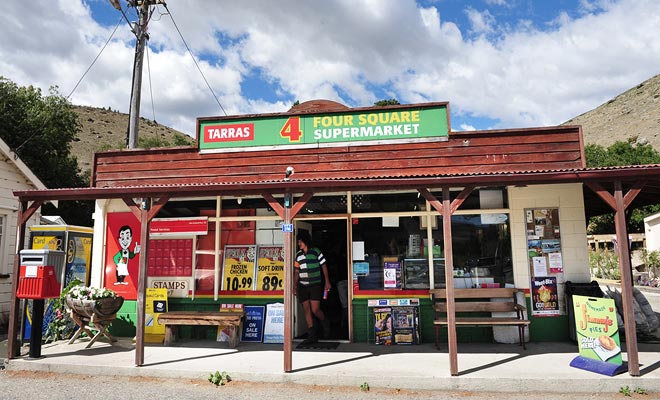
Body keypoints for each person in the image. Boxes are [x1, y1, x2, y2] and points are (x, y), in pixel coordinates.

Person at [294, 231, 331, 344]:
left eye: (300, 241)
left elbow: (323, 265)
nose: (299, 243)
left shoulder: (315, 251)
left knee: (315, 310)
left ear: (306, 241)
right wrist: (294, 285)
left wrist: (327, 281)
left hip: (315, 284)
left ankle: (325, 323)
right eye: (298, 241)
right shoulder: (298, 255)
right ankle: (312, 335)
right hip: (303, 286)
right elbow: (296, 271)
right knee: (307, 310)